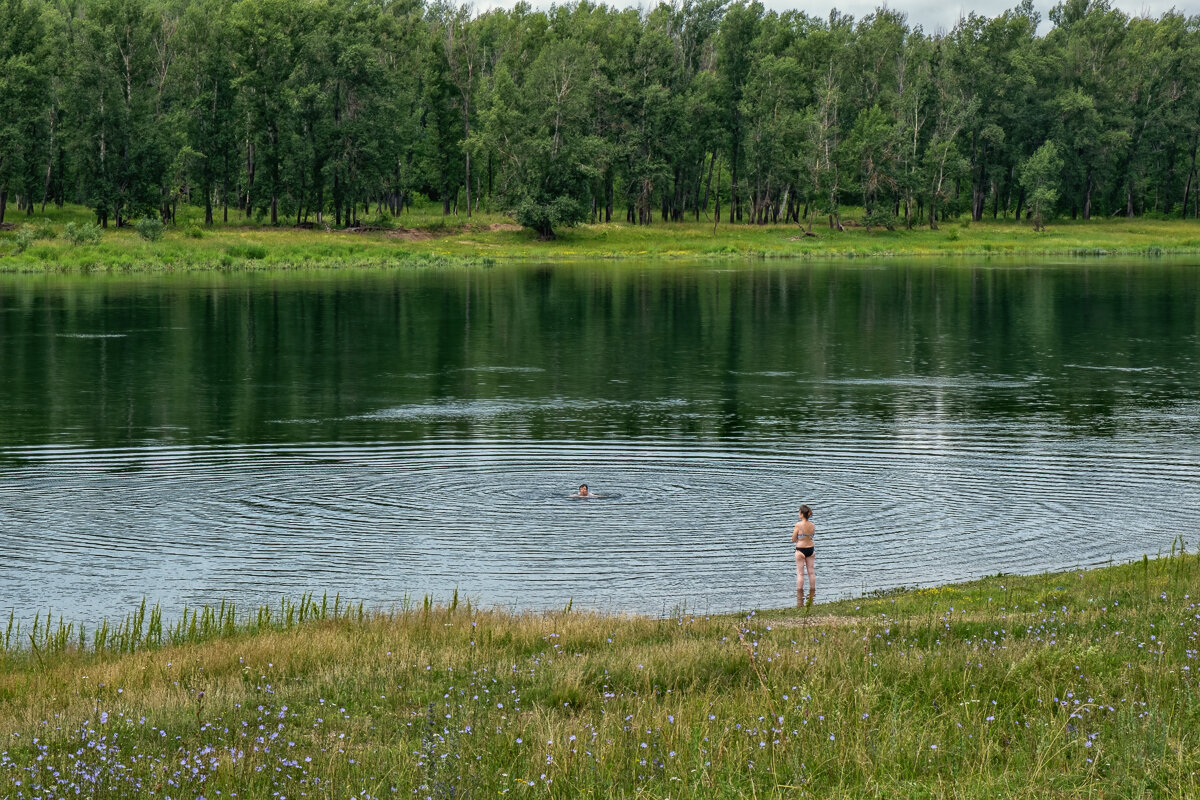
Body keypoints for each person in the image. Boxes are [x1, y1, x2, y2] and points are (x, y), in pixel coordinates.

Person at [792, 504, 815, 605]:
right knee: (811, 572)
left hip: (800, 549)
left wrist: (798, 538)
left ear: (801, 514)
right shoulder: (812, 525)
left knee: (800, 573)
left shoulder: (798, 525)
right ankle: (812, 594)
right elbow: (811, 536)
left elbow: (793, 539)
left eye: (799, 512)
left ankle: (799, 598)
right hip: (810, 549)